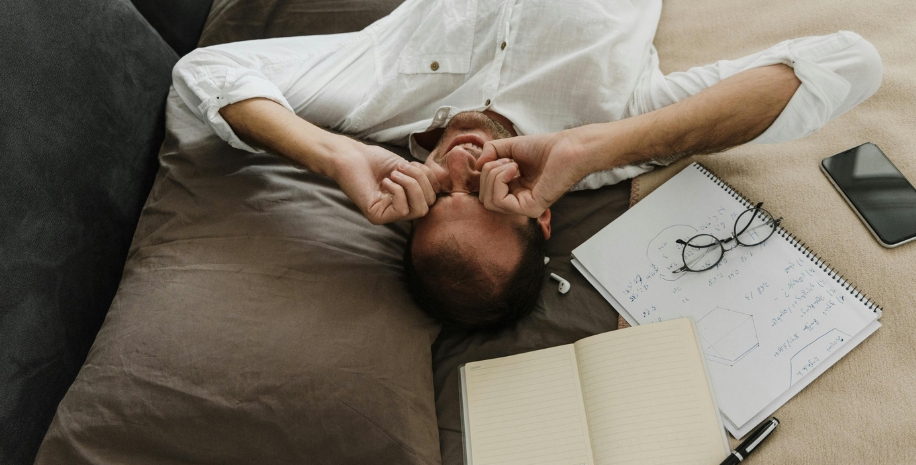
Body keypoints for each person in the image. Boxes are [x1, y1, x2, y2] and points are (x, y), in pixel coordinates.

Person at [172, 0, 882, 330]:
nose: (462, 165)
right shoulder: (610, 140)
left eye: (440, 193)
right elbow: (847, 64)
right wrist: (596, 145)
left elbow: (204, 76)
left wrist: (338, 158)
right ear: (541, 216)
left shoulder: (372, 105)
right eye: (484, 194)